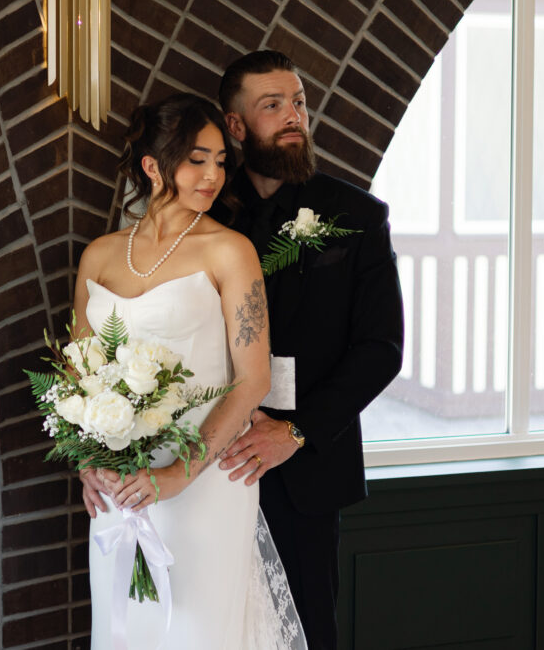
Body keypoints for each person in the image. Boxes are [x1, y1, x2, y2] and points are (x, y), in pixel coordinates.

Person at [73, 93, 305, 648]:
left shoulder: (230, 251)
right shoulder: (100, 256)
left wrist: (178, 473)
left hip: (203, 481)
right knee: (124, 627)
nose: (213, 175)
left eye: (221, 161)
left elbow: (254, 379)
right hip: (119, 487)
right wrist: (88, 463)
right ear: (153, 167)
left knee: (197, 632)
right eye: (197, 160)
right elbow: (78, 378)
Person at [212, 50, 405, 649]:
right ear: (237, 126)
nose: (293, 115)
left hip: (307, 468)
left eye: (297, 101)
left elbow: (382, 348)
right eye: (273, 105)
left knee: (306, 633)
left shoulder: (359, 216)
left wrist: (295, 432)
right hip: (208, 459)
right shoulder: (202, 214)